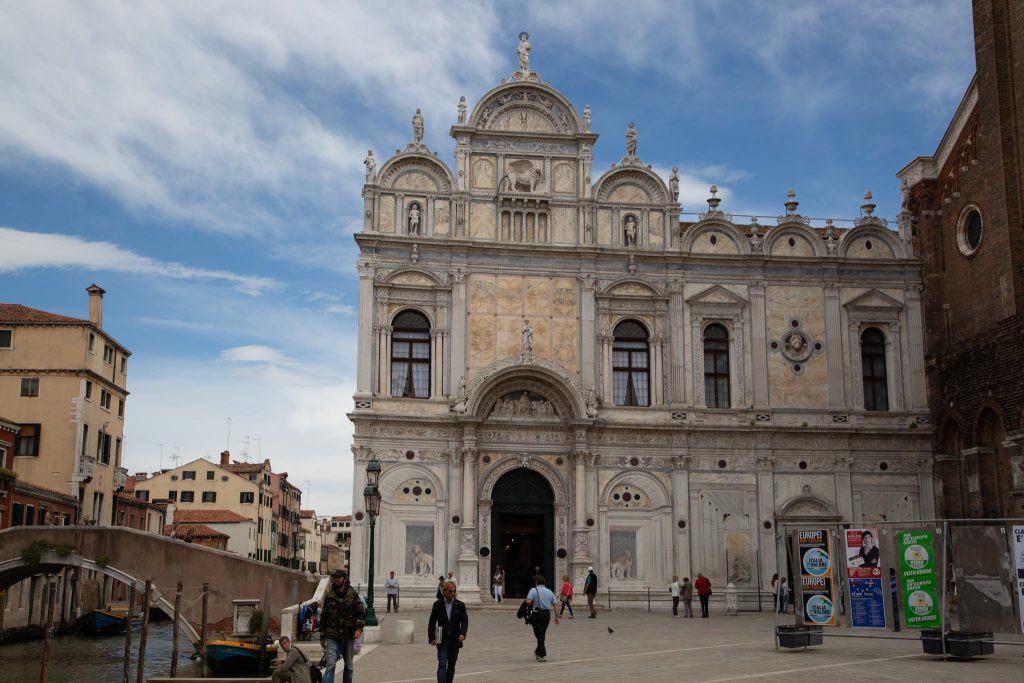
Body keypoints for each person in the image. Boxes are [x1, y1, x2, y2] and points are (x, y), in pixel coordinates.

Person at [319, 569, 365, 683]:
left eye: (338, 578)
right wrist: (322, 636)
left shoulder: (352, 594)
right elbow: (324, 616)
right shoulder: (330, 595)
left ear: (344, 579)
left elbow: (361, 614)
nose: (336, 580)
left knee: (349, 666)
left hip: (349, 635)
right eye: (334, 578)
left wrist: (359, 629)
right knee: (330, 664)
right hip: (332, 635)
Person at [428, 580, 468, 683]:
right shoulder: (437, 604)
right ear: (444, 591)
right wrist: (431, 637)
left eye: (454, 591)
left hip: (455, 639)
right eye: (450, 591)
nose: (452, 593)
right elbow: (432, 621)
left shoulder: (460, 605)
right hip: (441, 637)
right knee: (442, 663)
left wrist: (463, 634)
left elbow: (464, 621)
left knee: (451, 666)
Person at [525, 575, 560, 662]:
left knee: (539, 635)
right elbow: (555, 605)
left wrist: (528, 603)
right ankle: (537, 652)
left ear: (536, 582)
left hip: (537, 614)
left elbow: (528, 602)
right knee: (542, 634)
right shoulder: (550, 592)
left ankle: (542, 655)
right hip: (546, 614)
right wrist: (557, 617)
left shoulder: (533, 590)